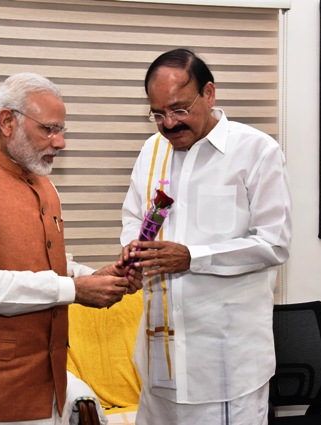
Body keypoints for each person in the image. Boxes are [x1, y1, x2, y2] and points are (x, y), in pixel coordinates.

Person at [0, 72, 142, 425]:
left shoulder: (45, 185)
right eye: (49, 129)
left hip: (42, 392)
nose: (60, 142)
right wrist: (75, 289)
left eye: (62, 130)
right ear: (7, 122)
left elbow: (45, 263)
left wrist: (96, 276)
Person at [119, 49, 292, 424]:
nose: (168, 124)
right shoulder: (152, 151)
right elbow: (134, 215)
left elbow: (274, 243)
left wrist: (192, 257)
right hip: (160, 363)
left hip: (225, 367)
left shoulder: (256, 151)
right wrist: (133, 249)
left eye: (179, 110)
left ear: (209, 94)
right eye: (158, 114)